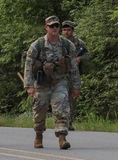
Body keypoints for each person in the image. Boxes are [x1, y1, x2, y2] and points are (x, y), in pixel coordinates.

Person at [24, 16, 81, 150]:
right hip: (42, 83)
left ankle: (62, 137)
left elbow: (73, 67)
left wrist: (76, 86)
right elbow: (28, 65)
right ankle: (38, 135)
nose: (55, 28)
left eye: (56, 26)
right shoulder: (37, 45)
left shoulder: (67, 45)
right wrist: (29, 86)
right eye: (52, 26)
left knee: (61, 107)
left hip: (60, 81)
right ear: (46, 27)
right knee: (40, 110)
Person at [60, 20, 89, 131]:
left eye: (68, 30)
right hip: (61, 73)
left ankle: (69, 122)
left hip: (73, 74)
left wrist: (80, 58)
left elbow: (87, 55)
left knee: (72, 98)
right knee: (60, 98)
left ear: (72, 31)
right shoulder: (59, 42)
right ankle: (61, 122)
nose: (66, 32)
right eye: (64, 30)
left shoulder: (79, 43)